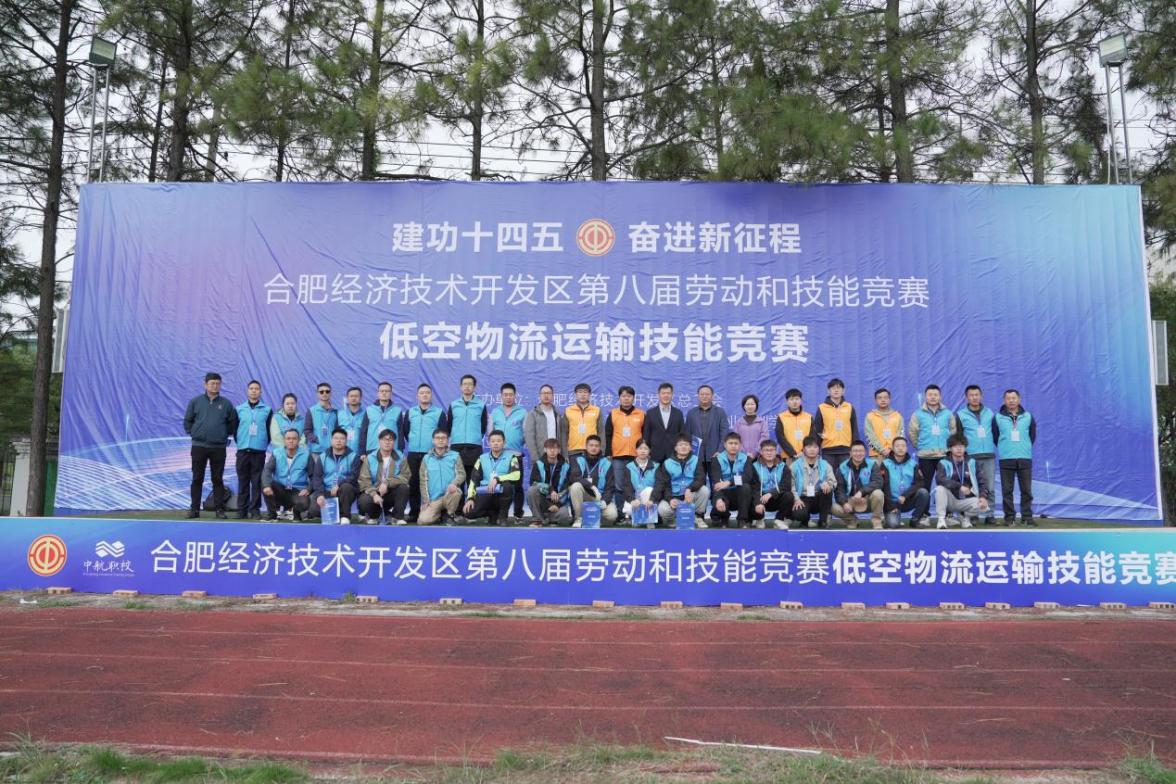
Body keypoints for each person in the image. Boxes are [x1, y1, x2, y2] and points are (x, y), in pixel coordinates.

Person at [183, 372, 238, 519]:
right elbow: (187, 421)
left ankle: (219, 509)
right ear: (205, 384)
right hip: (199, 446)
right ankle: (194, 509)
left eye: (218, 383)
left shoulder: (226, 404)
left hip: (218, 447)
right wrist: (194, 433)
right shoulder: (195, 402)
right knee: (197, 478)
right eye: (212, 383)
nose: (215, 386)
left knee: (217, 479)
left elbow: (232, 423)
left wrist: (222, 434)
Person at [400, 383, 448, 522]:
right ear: (417, 395)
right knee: (414, 483)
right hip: (414, 453)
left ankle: (438, 512)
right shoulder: (410, 412)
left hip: (432, 454)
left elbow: (443, 433)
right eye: (422, 393)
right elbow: (406, 431)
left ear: (431, 395)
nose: (425, 395)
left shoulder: (438, 412)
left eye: (427, 392)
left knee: (434, 484)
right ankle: (414, 512)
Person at [994, 389, 1037, 526]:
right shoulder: (998, 417)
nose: (1011, 401)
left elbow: (1032, 436)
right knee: (1007, 491)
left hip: (1024, 457)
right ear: (1004, 400)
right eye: (1008, 398)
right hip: (1006, 458)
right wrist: (1005, 448)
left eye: (1014, 398)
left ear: (1019, 399)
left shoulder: (1028, 416)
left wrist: (1024, 447)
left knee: (1026, 490)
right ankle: (1009, 518)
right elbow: (996, 437)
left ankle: (1027, 517)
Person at [956, 385, 996, 524]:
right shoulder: (960, 415)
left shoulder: (989, 413)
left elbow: (995, 433)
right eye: (971, 395)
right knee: (972, 487)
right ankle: (973, 514)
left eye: (977, 395)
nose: (974, 397)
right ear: (966, 397)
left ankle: (990, 514)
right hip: (971, 457)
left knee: (990, 487)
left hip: (988, 455)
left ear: (981, 396)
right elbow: (959, 437)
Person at [463, 430, 521, 525]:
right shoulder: (481, 458)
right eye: (493, 441)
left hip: (501, 491)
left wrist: (497, 479)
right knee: (468, 512)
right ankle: (492, 514)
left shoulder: (512, 457)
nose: (496, 443)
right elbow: (473, 480)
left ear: (504, 443)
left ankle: (503, 517)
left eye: (499, 441)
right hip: (486, 492)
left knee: (507, 486)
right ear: (488, 443)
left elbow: (516, 475)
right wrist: (470, 498)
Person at [233, 380, 272, 519]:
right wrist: (241, 442)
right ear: (247, 391)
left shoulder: (267, 410)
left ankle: (255, 509)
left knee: (256, 482)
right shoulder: (239, 409)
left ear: (260, 392)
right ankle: (241, 510)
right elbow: (235, 430)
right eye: (251, 388)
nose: (254, 391)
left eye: (256, 388)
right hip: (243, 451)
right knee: (243, 481)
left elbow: (269, 431)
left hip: (259, 451)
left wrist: (262, 443)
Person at [653, 435, 711, 527]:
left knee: (704, 490)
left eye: (686, 445)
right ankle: (673, 519)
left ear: (691, 448)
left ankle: (698, 517)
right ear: (675, 448)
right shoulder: (667, 463)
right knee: (662, 509)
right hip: (675, 496)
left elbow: (700, 478)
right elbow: (665, 485)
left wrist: (689, 489)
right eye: (680, 445)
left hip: (691, 495)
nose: (683, 447)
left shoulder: (696, 460)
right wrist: (670, 499)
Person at [934, 434, 990, 528]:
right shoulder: (943, 462)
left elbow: (982, 482)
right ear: (950, 448)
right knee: (939, 489)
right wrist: (959, 486)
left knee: (984, 506)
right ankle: (941, 519)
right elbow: (940, 479)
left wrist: (983, 497)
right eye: (956, 446)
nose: (959, 448)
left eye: (962, 446)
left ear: (965, 447)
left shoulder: (972, 462)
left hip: (966, 500)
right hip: (950, 500)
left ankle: (964, 517)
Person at [261, 429, 318, 521]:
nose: (291, 441)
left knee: (305, 503)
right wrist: (267, 486)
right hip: (280, 489)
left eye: (294, 438)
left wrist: (308, 489)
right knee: (265, 482)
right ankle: (272, 514)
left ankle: (295, 512)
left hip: (297, 491)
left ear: (299, 440)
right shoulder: (277, 453)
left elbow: (314, 476)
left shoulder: (306, 454)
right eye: (288, 438)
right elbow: (267, 470)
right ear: (284, 440)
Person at [491, 382, 528, 521]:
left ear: (515, 396)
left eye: (510, 395)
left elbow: (526, 433)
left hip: (515, 454)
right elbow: (490, 431)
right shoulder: (495, 412)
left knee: (517, 486)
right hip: (498, 455)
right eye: (505, 395)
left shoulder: (522, 412)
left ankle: (518, 514)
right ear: (501, 396)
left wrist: (518, 444)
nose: (508, 397)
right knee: (498, 484)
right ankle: (498, 514)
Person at [908, 384, 956, 492]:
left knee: (946, 486)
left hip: (944, 455)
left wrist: (948, 448)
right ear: (925, 396)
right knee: (924, 487)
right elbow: (912, 433)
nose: (933, 397)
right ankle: (925, 504)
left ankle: (945, 504)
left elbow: (953, 431)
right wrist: (921, 446)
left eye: (935, 395)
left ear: (940, 396)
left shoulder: (948, 413)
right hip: (925, 456)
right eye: (930, 395)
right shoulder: (918, 414)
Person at [357, 429, 411, 524]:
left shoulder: (400, 457)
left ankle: (397, 517)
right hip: (375, 493)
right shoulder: (370, 458)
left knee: (404, 488)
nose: (387, 442)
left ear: (394, 442)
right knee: (364, 501)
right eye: (384, 439)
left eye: (390, 440)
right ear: (379, 441)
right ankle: (374, 516)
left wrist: (387, 483)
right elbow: (364, 481)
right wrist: (374, 494)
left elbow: (405, 476)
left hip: (390, 492)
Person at [605, 385, 645, 510]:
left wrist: (645, 452)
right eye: (623, 396)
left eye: (629, 396)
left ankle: (636, 512)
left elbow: (645, 435)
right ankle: (621, 512)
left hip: (636, 456)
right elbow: (608, 434)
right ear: (619, 398)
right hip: (618, 455)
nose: (626, 398)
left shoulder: (641, 414)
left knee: (636, 484)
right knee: (619, 485)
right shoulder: (613, 413)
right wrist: (608, 452)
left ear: (633, 398)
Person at [567, 434, 619, 526]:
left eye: (596, 446)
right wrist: (591, 486)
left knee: (612, 515)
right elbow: (574, 477)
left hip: (599, 498)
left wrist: (605, 501)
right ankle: (579, 518)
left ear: (600, 447)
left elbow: (610, 487)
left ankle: (593, 519)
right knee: (575, 486)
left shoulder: (606, 463)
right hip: (584, 496)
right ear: (586, 447)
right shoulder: (578, 460)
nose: (594, 448)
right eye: (591, 445)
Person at [312, 427, 361, 523]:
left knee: (347, 487)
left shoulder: (353, 456)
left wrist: (338, 484)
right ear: (331, 440)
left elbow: (354, 476)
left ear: (346, 441)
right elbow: (317, 478)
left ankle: (345, 517)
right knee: (313, 510)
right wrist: (320, 495)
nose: (339, 441)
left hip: (344, 491)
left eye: (342, 438)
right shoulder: (322, 457)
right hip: (327, 491)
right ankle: (334, 512)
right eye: (336, 438)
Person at [832, 441, 885, 529]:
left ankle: (877, 521)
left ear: (865, 453)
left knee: (878, 494)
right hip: (851, 502)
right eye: (855, 451)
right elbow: (839, 489)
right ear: (850, 453)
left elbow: (878, 482)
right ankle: (852, 520)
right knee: (834, 507)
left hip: (868, 500)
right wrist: (844, 503)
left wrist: (862, 492)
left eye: (861, 451)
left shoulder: (872, 464)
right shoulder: (842, 467)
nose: (858, 454)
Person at [418, 429, 466, 525]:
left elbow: (462, 474)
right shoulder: (426, 458)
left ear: (448, 440)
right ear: (433, 440)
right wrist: (426, 500)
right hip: (434, 499)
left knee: (456, 491)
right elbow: (423, 481)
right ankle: (439, 515)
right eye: (438, 438)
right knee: (422, 521)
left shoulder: (455, 456)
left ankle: (449, 515)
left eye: (443, 438)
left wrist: (454, 484)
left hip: (449, 494)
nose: (440, 440)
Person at [880, 436, 930, 528]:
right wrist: (891, 506)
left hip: (907, 500)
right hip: (891, 503)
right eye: (897, 446)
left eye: (903, 446)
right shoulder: (885, 464)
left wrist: (905, 495)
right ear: (892, 448)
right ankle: (888, 517)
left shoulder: (913, 464)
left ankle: (915, 520)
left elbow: (919, 483)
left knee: (923, 493)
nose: (900, 448)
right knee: (893, 525)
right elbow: (884, 486)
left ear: (907, 448)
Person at [709, 432, 755, 527]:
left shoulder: (746, 459)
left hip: (739, 494)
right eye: (730, 443)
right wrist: (718, 499)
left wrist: (729, 482)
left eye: (736, 443)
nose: (733, 446)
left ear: (740, 445)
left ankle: (742, 520)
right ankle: (724, 517)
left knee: (746, 487)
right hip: (724, 493)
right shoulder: (716, 459)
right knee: (718, 496)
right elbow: (717, 483)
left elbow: (747, 477)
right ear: (725, 445)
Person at [811, 379, 858, 470]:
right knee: (828, 477)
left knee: (845, 476)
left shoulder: (849, 407)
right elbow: (817, 431)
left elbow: (854, 429)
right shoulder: (822, 408)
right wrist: (816, 450)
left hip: (845, 450)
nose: (836, 390)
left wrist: (855, 449)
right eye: (833, 388)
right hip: (828, 450)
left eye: (839, 388)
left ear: (843, 391)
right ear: (828, 391)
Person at [448, 374, 488, 482]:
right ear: (461, 386)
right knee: (456, 482)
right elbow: (449, 425)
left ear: (474, 387)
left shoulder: (481, 405)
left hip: (474, 447)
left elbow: (483, 427)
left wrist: (474, 437)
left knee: (473, 482)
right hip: (456, 447)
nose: (467, 386)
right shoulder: (454, 405)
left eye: (470, 384)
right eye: (464, 384)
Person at [790, 436, 836, 528]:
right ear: (803, 449)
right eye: (809, 447)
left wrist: (828, 485)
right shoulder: (795, 466)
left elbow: (833, 482)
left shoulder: (825, 464)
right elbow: (791, 485)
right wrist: (796, 499)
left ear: (819, 449)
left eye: (815, 447)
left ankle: (823, 521)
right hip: (802, 497)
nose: (812, 449)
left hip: (819, 497)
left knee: (827, 491)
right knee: (799, 514)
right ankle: (804, 520)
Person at [685, 385, 729, 476]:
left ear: (712, 396)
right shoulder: (691, 413)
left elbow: (724, 433)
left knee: (717, 482)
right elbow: (687, 433)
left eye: (707, 394)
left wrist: (720, 451)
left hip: (715, 454)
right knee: (698, 482)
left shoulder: (720, 412)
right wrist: (689, 451)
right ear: (698, 396)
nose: (704, 396)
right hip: (696, 455)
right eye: (702, 394)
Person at [527, 438, 572, 526]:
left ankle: (546, 518)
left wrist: (558, 505)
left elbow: (567, 488)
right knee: (531, 490)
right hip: (543, 500)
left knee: (564, 516)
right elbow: (534, 483)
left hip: (557, 501)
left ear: (559, 450)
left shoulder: (566, 466)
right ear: (545, 450)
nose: (552, 451)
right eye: (549, 448)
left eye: (555, 448)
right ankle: (538, 520)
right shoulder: (538, 464)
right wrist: (550, 490)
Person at [749, 440, 793, 530]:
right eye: (766, 450)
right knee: (749, 495)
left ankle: (779, 520)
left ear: (776, 451)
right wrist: (758, 502)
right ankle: (759, 518)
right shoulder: (754, 466)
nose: (769, 453)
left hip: (776, 497)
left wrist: (771, 493)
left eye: (772, 450)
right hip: (761, 497)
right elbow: (754, 487)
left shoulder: (783, 466)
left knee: (788, 495)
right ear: (761, 452)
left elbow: (786, 485)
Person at [642, 382, 686, 463]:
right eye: (663, 393)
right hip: (654, 454)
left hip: (673, 454)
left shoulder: (678, 413)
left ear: (672, 395)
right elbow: (646, 434)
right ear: (658, 395)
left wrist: (681, 450)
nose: (666, 395)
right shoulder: (650, 413)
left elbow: (682, 433)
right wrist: (646, 450)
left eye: (668, 393)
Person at [619, 439, 659, 525]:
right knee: (628, 510)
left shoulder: (656, 466)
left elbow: (658, 486)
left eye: (646, 448)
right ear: (636, 450)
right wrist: (632, 500)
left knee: (649, 490)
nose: (643, 451)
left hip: (650, 500)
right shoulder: (629, 466)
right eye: (640, 448)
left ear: (649, 451)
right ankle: (638, 518)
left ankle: (649, 521)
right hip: (635, 498)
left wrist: (652, 499)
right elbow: (626, 487)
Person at [524, 383, 568, 459]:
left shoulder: (558, 414)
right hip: (540, 456)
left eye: (548, 393)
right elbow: (529, 438)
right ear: (540, 396)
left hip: (556, 455)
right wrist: (535, 458)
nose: (546, 395)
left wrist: (564, 456)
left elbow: (563, 437)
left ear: (553, 396)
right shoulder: (533, 414)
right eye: (543, 393)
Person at [363, 381, 403, 455]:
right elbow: (364, 432)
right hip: (373, 448)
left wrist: (400, 450)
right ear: (378, 393)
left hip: (391, 449)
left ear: (391, 394)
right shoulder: (369, 410)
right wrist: (362, 452)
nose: (384, 393)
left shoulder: (397, 410)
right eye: (382, 391)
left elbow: (400, 433)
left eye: (387, 391)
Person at [865, 387, 904, 461]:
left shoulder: (898, 416)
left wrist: (891, 448)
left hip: (894, 455)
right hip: (876, 456)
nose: (883, 400)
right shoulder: (870, 416)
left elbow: (900, 435)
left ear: (889, 399)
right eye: (880, 398)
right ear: (875, 400)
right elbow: (869, 436)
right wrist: (881, 450)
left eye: (885, 397)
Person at [565, 382, 604, 457]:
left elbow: (601, 432)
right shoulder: (568, 410)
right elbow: (564, 433)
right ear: (575, 395)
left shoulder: (596, 410)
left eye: (585, 392)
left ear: (589, 395)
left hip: (593, 451)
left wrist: (601, 450)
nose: (583, 395)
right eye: (580, 392)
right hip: (573, 451)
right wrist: (564, 453)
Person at [775, 388, 812, 463]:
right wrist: (792, 453)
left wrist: (804, 452)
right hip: (788, 457)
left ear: (801, 401)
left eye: (797, 399)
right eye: (791, 399)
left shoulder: (809, 417)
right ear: (787, 401)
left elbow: (813, 436)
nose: (794, 401)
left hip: (807, 456)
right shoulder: (781, 417)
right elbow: (780, 438)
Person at [304, 382, 338, 456]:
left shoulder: (336, 411)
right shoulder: (311, 411)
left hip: (333, 450)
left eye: (327, 391)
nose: (324, 393)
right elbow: (307, 431)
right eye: (321, 392)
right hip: (316, 451)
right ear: (317, 394)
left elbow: (338, 430)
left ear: (331, 393)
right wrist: (317, 440)